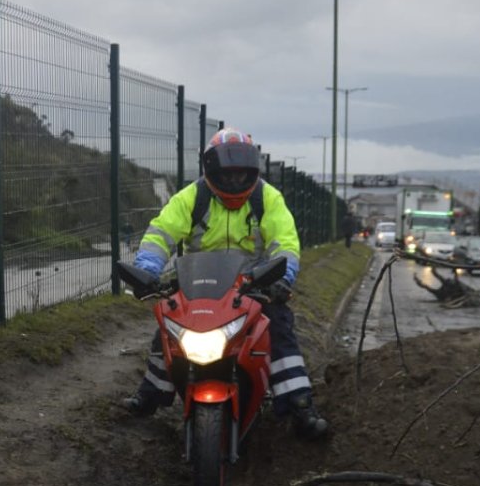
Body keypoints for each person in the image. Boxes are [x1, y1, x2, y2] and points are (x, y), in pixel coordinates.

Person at [121, 128, 328, 439]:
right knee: (167, 330)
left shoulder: (268, 199)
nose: (234, 181)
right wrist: (147, 268)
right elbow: (160, 233)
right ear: (211, 171)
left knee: (280, 329)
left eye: (241, 174)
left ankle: (300, 405)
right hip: (199, 286)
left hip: (255, 286)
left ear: (253, 172)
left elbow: (285, 243)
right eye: (227, 174)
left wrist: (282, 279)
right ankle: (151, 395)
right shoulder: (192, 197)